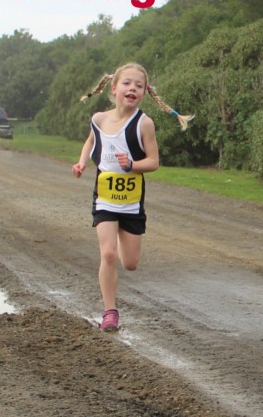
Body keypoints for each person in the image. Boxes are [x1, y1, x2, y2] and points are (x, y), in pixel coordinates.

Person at [72, 63, 193, 331]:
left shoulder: (144, 123)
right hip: (104, 197)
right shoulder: (99, 119)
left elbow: (153, 162)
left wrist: (131, 165)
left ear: (144, 93)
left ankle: (120, 240)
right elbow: (91, 141)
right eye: (127, 83)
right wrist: (82, 163)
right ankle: (110, 312)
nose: (132, 89)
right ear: (114, 88)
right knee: (108, 254)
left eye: (138, 86)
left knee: (130, 263)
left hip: (131, 201)